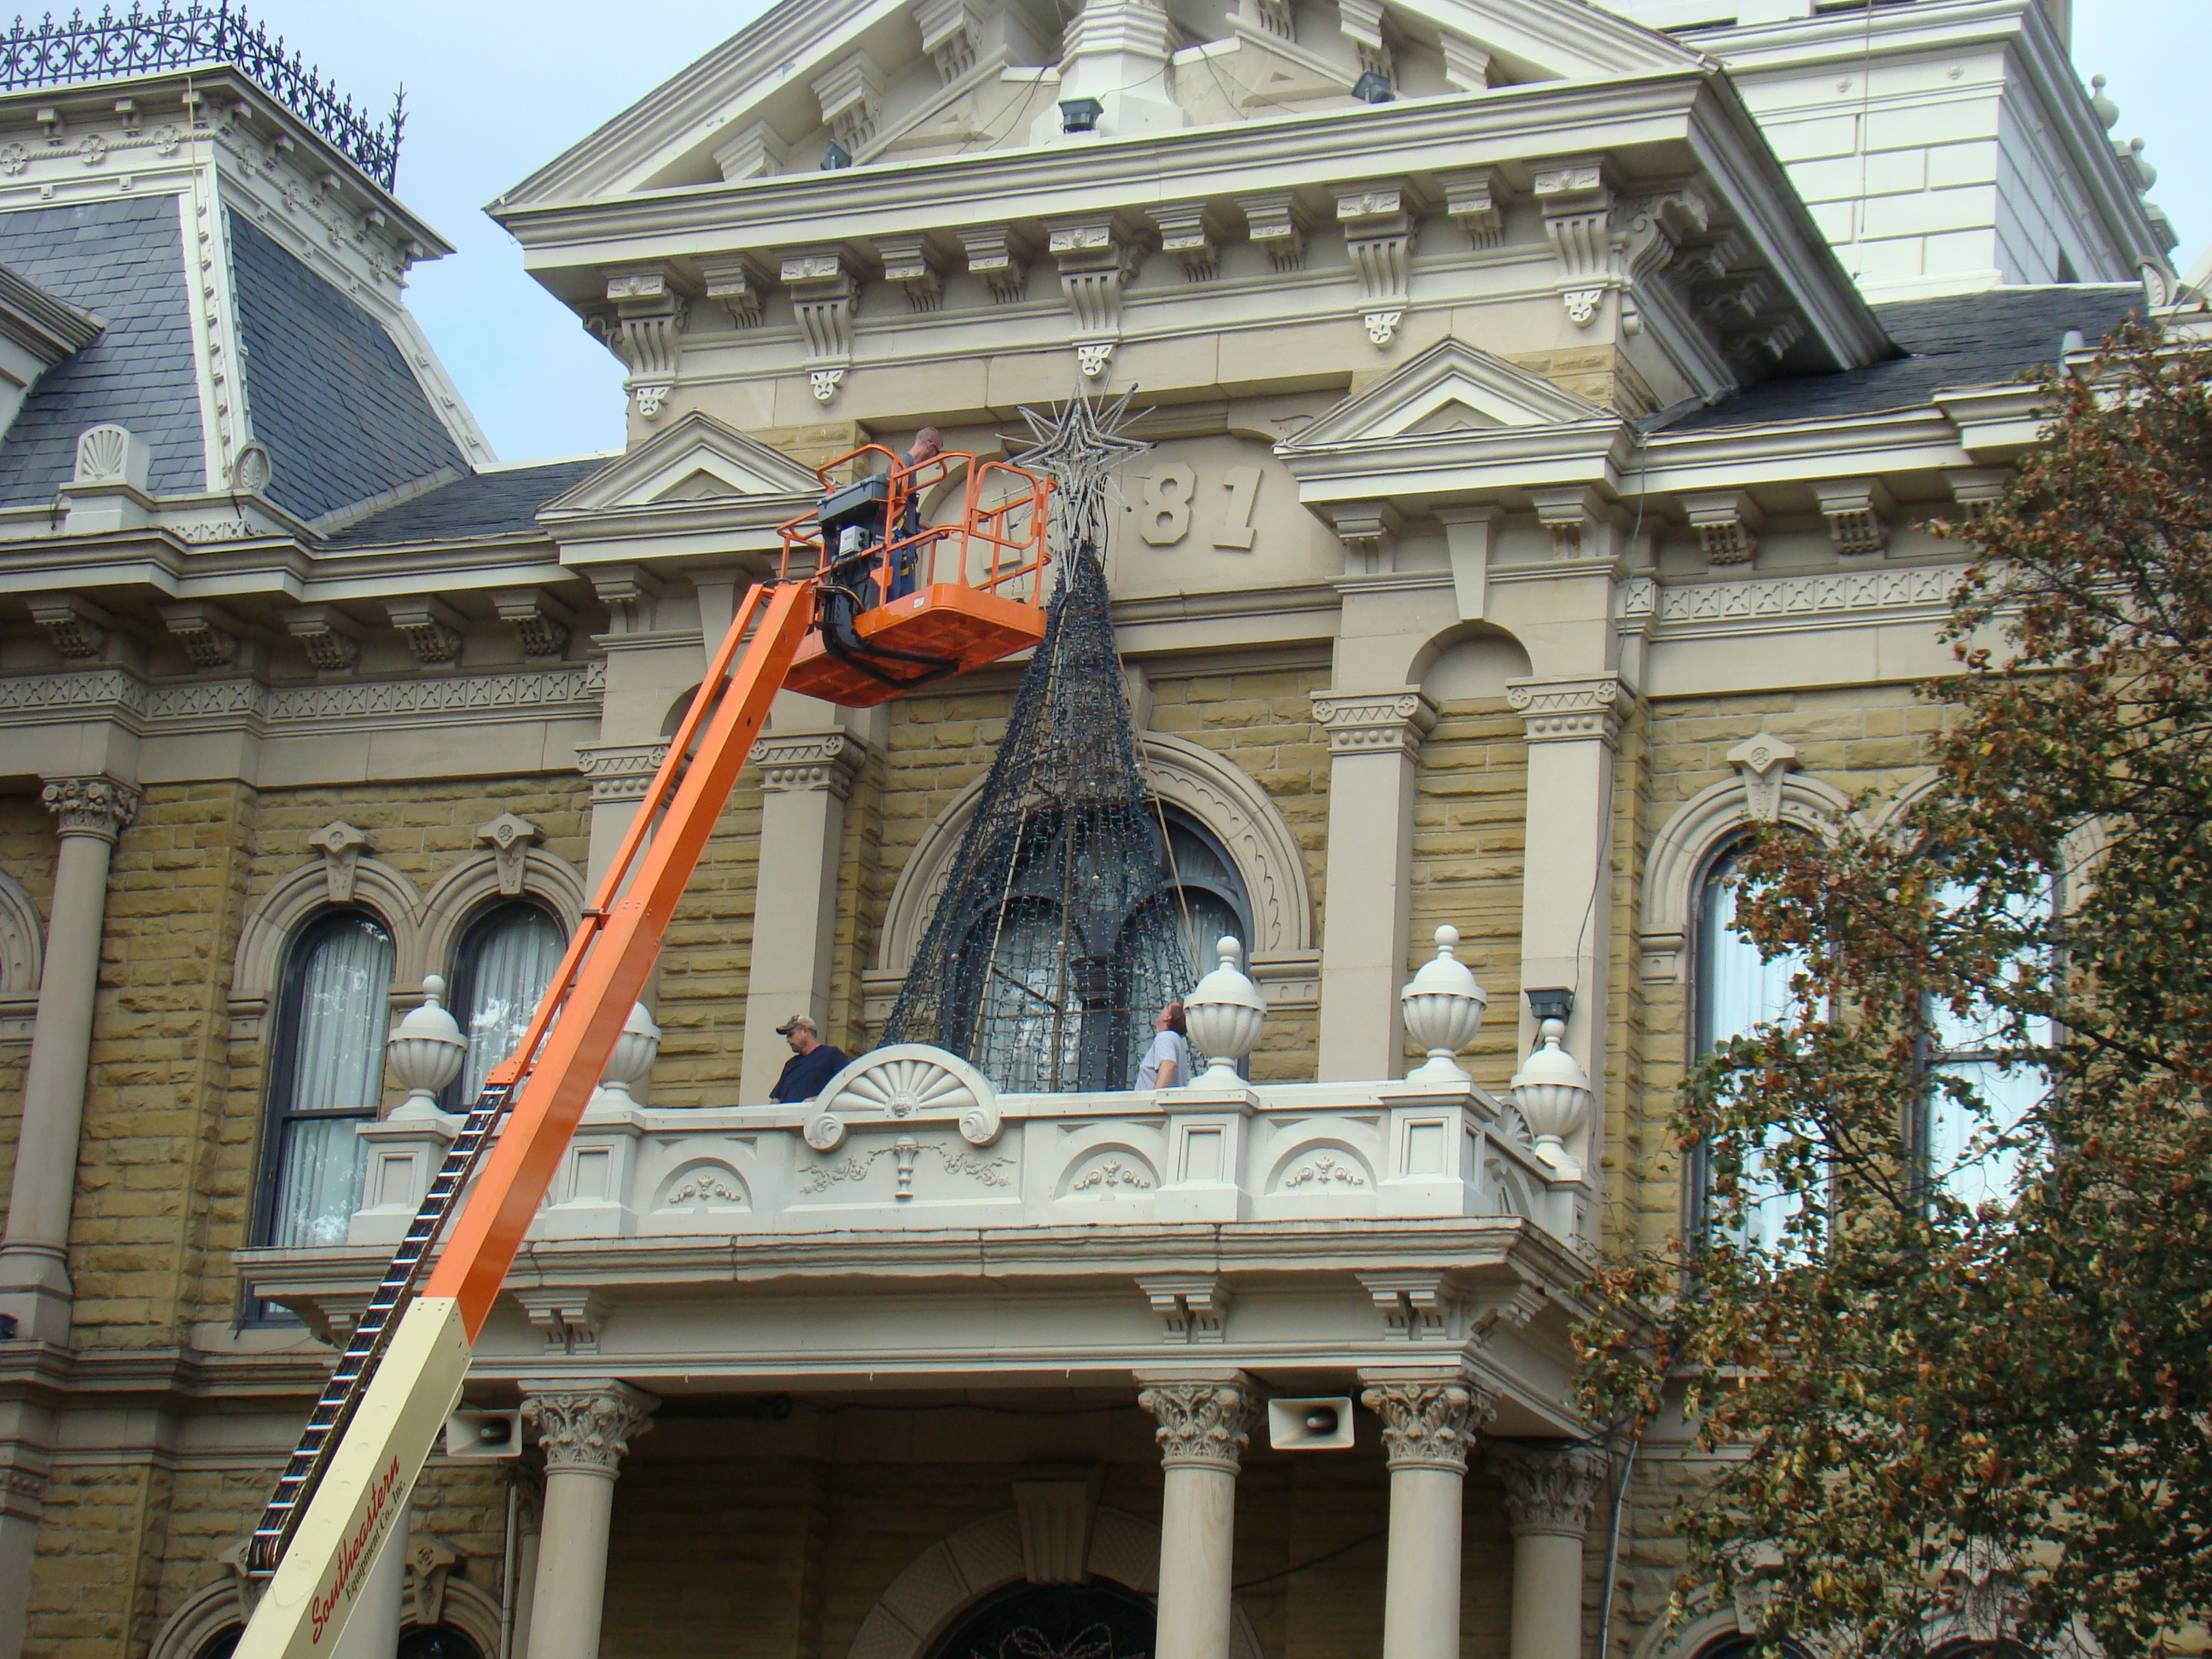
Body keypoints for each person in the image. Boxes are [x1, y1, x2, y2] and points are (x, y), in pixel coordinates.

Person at [885, 427, 943, 602]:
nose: (933, 460)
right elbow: (892, 506)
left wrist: (934, 529)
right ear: (930, 447)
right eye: (936, 455)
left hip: (903, 545)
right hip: (896, 543)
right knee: (896, 602)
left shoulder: (907, 466)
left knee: (904, 601)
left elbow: (908, 514)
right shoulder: (902, 464)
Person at [769, 1014, 850, 1103]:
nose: (788, 1040)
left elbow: (848, 1085)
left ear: (804, 1031)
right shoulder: (790, 1064)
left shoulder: (831, 1055)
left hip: (817, 1116)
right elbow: (776, 1098)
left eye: (791, 1035)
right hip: (788, 1116)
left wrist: (819, 1100)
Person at [1137, 1001, 1191, 1091]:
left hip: (1151, 1104)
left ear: (1167, 1017)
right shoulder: (1176, 1042)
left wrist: (1154, 1098)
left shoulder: (1165, 1036)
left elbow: (1168, 1065)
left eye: (1167, 1006)